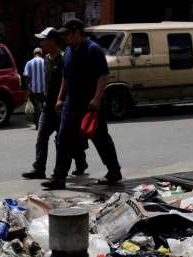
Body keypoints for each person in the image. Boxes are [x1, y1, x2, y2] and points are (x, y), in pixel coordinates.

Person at [43, 18, 122, 191]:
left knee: (100, 139)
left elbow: (103, 75)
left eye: (67, 34)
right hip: (71, 104)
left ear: (77, 33)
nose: (65, 38)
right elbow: (65, 77)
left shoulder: (93, 50)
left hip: (90, 106)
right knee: (63, 139)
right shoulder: (68, 52)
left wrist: (97, 98)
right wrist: (60, 98)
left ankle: (114, 171)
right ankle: (59, 177)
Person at [21, 27, 88, 180]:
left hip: (61, 108)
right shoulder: (46, 59)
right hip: (47, 107)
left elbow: (70, 82)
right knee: (41, 138)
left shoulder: (64, 59)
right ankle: (39, 168)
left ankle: (77, 163)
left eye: (43, 40)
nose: (41, 44)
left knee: (63, 141)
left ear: (52, 41)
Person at [22, 48, 46, 128]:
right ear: (41, 53)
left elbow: (27, 78)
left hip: (33, 90)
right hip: (44, 90)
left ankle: (37, 124)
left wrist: (27, 90)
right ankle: (43, 124)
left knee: (36, 108)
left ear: (34, 54)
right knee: (43, 107)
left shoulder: (29, 63)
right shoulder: (45, 62)